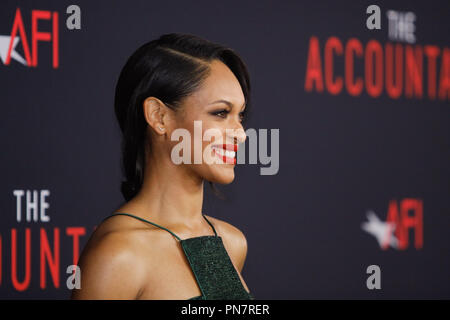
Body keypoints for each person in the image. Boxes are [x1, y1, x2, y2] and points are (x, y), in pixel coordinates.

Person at [71, 33, 254, 300]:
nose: (240, 134)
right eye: (220, 113)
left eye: (240, 116)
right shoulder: (119, 253)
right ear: (159, 117)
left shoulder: (231, 242)